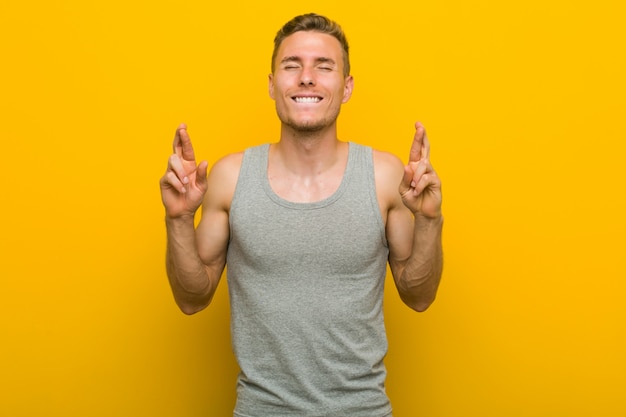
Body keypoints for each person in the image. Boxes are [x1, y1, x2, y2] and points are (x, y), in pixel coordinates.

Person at [160, 13, 443, 417]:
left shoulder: (384, 177)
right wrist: (178, 220)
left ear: (346, 88)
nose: (306, 78)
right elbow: (192, 299)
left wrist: (430, 220)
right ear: (272, 85)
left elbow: (419, 296)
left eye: (323, 67)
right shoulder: (230, 177)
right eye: (291, 66)